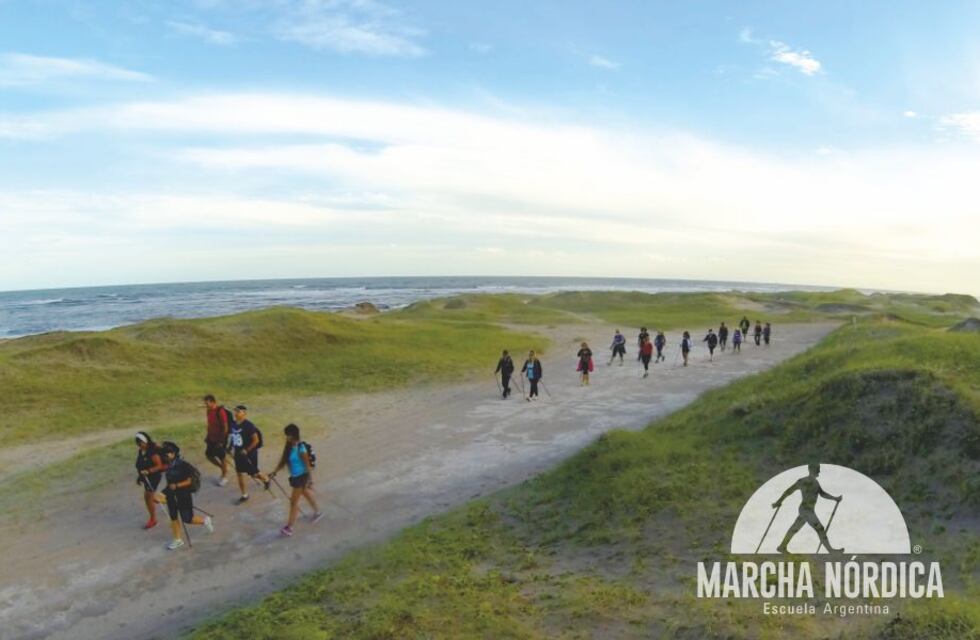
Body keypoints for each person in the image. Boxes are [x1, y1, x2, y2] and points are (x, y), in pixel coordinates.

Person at [772, 463, 843, 554]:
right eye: (817, 469)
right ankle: (830, 550)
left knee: (794, 528)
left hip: (808, 510)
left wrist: (835, 498)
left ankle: (782, 546)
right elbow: (789, 491)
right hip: (806, 510)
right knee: (820, 528)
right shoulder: (802, 481)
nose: (819, 471)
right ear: (811, 469)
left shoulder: (816, 483)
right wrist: (779, 501)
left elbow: (822, 494)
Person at [269, 424, 323, 536]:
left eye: (287, 435)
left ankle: (290, 527)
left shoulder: (301, 449)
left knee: (293, 502)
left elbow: (307, 466)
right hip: (294, 477)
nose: (286, 437)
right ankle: (318, 512)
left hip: (301, 477)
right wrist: (274, 472)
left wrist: (310, 481)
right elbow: (283, 461)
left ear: (293, 435)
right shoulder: (289, 446)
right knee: (306, 494)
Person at [160, 442, 214, 550]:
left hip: (183, 495)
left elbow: (190, 481)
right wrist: (164, 493)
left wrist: (177, 485)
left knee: (188, 519)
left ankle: (205, 521)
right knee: (173, 517)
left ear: (173, 453)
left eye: (167, 454)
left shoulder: (183, 465)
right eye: (164, 454)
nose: (165, 456)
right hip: (172, 495)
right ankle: (177, 539)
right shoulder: (169, 465)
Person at [229, 405, 272, 504]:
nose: (236, 413)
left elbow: (256, 440)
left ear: (244, 413)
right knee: (239, 473)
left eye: (238, 411)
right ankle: (244, 494)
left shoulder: (249, 425)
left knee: (254, 473)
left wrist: (247, 450)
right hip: (238, 453)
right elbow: (233, 436)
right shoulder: (233, 424)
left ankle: (266, 478)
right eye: (235, 411)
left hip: (249, 454)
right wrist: (230, 447)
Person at [135, 431, 167, 530]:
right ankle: (165, 499)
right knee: (149, 497)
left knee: (148, 497)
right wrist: (140, 477)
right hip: (146, 477)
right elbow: (140, 465)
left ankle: (153, 519)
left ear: (145, 441)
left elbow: (159, 466)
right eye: (138, 443)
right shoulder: (141, 451)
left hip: (153, 477)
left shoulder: (152, 452)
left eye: (141, 443)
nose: (140, 445)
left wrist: (148, 471)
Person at [203, 394, 231, 486]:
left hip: (220, 439)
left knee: (222, 458)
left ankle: (224, 476)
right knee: (208, 455)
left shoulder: (220, 411)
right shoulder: (208, 411)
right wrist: (208, 436)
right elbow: (210, 425)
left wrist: (221, 441)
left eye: (207, 403)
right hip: (211, 438)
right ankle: (223, 468)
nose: (206, 405)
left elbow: (225, 427)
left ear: (212, 402)